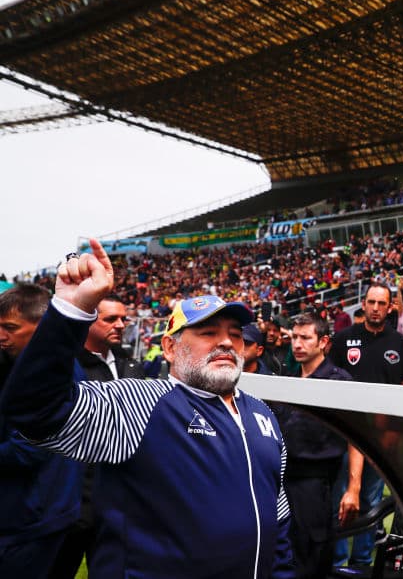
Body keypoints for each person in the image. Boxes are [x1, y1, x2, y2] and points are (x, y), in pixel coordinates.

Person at [0, 242, 295, 578]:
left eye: (235, 334)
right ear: (169, 347)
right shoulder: (141, 402)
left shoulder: (262, 416)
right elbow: (35, 409)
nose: (226, 342)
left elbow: (277, 515)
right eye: (208, 332)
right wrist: (70, 310)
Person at [50, 294, 147, 579]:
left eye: (123, 319)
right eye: (110, 319)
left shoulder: (132, 366)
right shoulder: (68, 367)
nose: (119, 325)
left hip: (120, 503)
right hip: (72, 501)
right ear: (89, 321)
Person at [327, 283, 403, 574]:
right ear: (363, 305)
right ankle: (338, 563)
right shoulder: (342, 340)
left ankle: (362, 563)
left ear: (390, 308)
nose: (376, 308)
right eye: (371, 302)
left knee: (371, 500)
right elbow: (327, 383)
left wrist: (396, 432)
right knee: (341, 497)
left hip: (379, 437)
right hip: (343, 434)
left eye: (382, 303)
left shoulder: (400, 344)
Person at [1, 284, 82, 578]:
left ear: (43, 327)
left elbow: (30, 447)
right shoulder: (26, 365)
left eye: (10, 327)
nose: (1, 336)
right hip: (35, 511)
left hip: (32, 517)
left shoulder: (54, 373)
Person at [275, 313, 358, 579]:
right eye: (294, 338)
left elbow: (356, 438)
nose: (297, 344)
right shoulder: (287, 381)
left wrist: (353, 488)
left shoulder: (339, 382)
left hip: (316, 484)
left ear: (323, 342)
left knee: (312, 558)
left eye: (305, 338)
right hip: (280, 482)